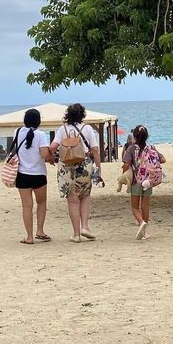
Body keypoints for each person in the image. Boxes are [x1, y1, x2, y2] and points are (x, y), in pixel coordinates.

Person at [50, 103, 101, 243]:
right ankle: (85, 227)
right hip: (84, 165)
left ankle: (76, 234)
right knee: (85, 196)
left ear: (68, 114)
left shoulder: (62, 129)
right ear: (82, 114)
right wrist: (98, 168)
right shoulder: (88, 128)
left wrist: (49, 157)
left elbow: (53, 147)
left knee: (72, 200)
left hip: (66, 168)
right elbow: (95, 150)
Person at [15, 108, 54, 245]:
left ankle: (29, 237)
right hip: (38, 174)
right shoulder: (41, 135)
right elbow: (44, 154)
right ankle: (40, 231)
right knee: (41, 203)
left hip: (22, 174)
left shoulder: (17, 132)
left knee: (27, 206)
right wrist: (51, 157)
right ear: (38, 121)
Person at [122, 124, 166, 240]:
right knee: (145, 206)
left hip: (136, 181)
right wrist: (156, 151)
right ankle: (145, 232)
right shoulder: (151, 148)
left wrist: (124, 172)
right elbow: (162, 160)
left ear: (135, 136)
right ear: (146, 136)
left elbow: (126, 164)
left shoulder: (131, 148)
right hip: (149, 180)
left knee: (134, 207)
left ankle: (141, 222)